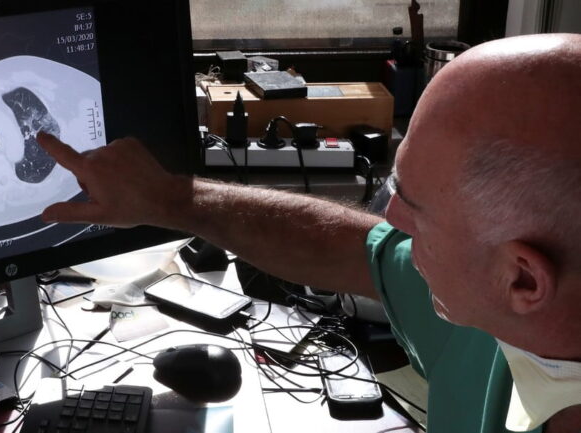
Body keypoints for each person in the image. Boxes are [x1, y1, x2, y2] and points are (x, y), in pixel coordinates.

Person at [35, 33, 581, 432]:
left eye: (417, 211)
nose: (390, 218)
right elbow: (346, 248)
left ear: (524, 280)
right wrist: (171, 199)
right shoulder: (493, 311)